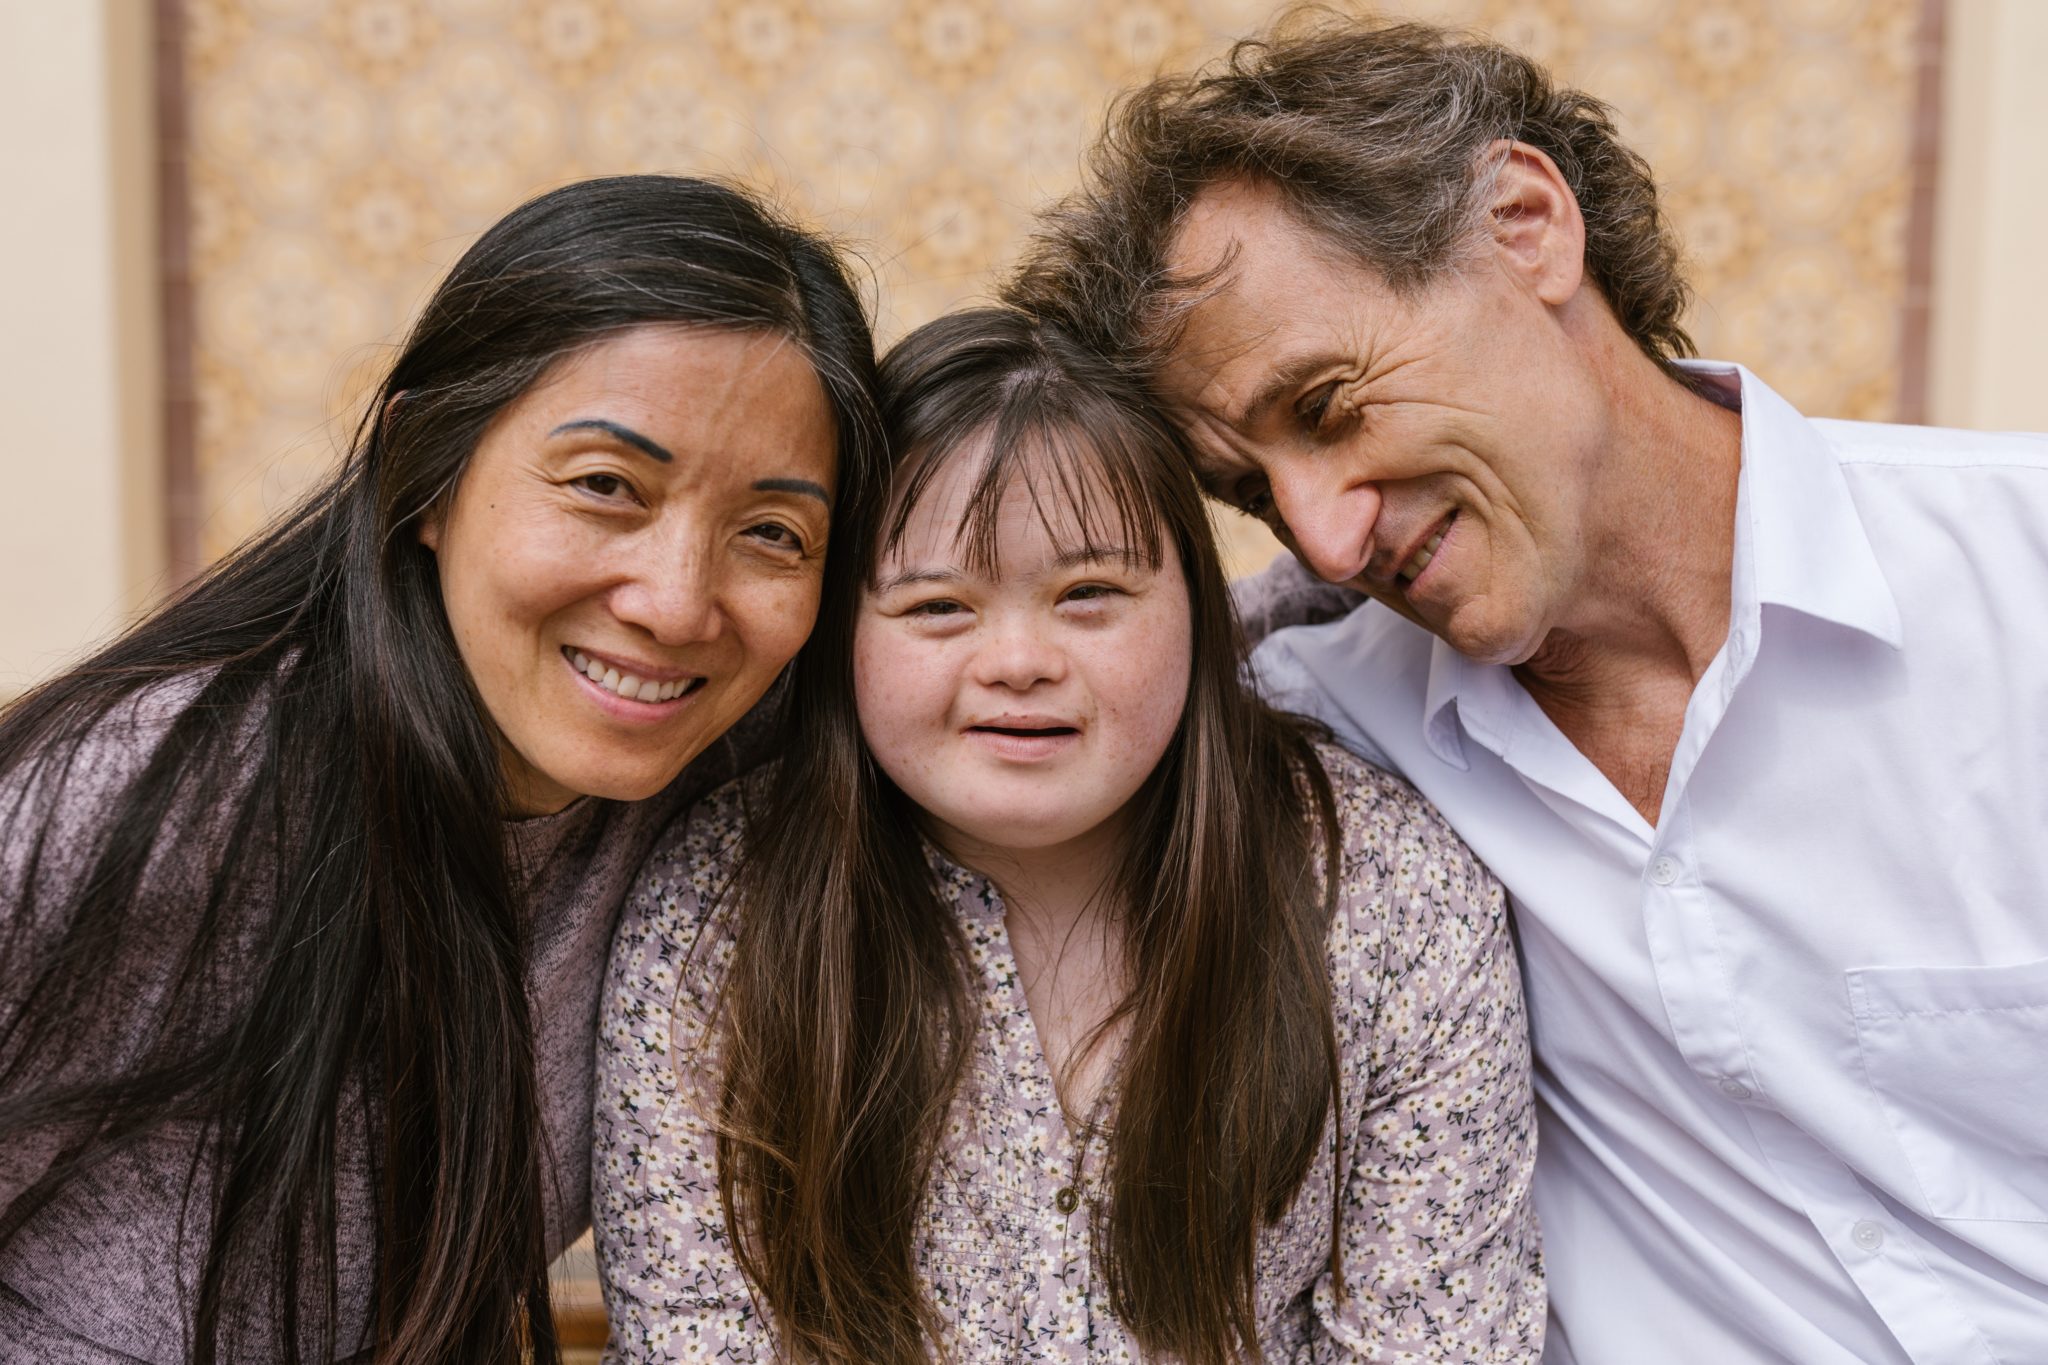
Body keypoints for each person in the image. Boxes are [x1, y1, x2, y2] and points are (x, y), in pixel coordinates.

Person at [1005, 15, 2048, 1365]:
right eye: (1253, 493)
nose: (1325, 535)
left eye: (1327, 405)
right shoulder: (1311, 722)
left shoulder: (2018, 580)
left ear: (1525, 224)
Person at [0, 174, 883, 1363]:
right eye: (605, 487)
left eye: (773, 533)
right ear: (425, 467)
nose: (676, 605)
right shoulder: (147, 797)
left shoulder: (735, 785)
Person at [592, 307, 1543, 1364]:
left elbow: (1433, 1340)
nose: (1018, 662)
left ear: (1196, 604)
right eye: (937, 607)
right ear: (836, 633)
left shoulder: (1381, 890)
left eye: (1089, 595)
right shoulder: (716, 914)